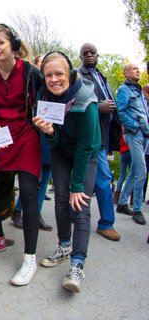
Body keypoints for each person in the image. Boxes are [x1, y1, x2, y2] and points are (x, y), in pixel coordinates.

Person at [0, 23, 43, 286]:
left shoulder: (31, 72)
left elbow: (44, 99)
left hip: (25, 135)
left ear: (13, 44)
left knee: (28, 193)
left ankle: (30, 257)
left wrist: (43, 123)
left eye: (0, 42)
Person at [35, 51, 100, 293]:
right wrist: (49, 132)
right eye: (48, 75)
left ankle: (77, 265)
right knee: (61, 198)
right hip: (61, 150)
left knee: (78, 202)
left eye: (59, 74)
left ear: (70, 74)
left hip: (87, 152)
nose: (53, 79)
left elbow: (86, 146)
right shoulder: (45, 96)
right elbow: (53, 141)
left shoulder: (85, 100)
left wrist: (78, 186)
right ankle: (64, 246)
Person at [78, 43, 121, 241]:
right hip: (89, 138)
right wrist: (98, 107)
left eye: (92, 52)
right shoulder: (78, 76)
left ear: (97, 55)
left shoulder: (101, 77)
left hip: (103, 136)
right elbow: (77, 103)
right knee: (103, 180)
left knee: (93, 180)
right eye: (85, 53)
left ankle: (79, 214)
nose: (89, 55)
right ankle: (106, 224)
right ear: (80, 56)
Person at [11, 52, 53, 232]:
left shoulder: (55, 86)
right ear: (35, 66)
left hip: (53, 136)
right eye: (42, 64)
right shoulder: (31, 85)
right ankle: (20, 210)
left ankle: (35, 213)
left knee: (45, 179)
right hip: (34, 136)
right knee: (34, 178)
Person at [115, 63, 148, 225]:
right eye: (134, 69)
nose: (138, 71)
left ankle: (121, 203)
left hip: (144, 134)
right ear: (127, 73)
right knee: (142, 171)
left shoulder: (138, 90)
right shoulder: (124, 90)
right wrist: (134, 128)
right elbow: (120, 112)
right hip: (135, 135)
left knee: (135, 170)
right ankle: (137, 209)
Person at [114, 131, 131, 204]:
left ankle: (116, 197)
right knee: (132, 174)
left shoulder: (122, 128)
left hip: (122, 151)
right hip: (130, 150)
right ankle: (132, 199)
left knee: (122, 175)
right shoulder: (131, 129)